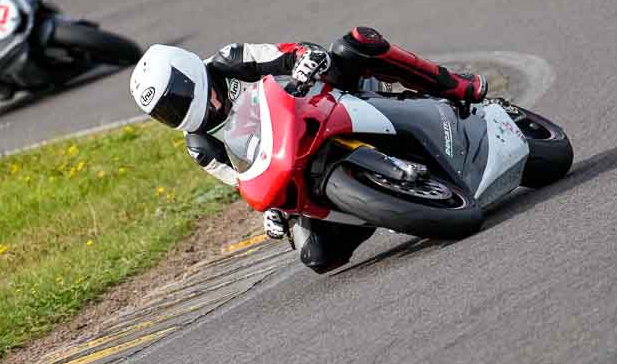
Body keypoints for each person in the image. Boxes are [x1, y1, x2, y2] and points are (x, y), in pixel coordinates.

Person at [130, 26, 487, 272]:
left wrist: (306, 61)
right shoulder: (201, 147)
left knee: (356, 43)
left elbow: (292, 52)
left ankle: (456, 85)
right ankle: (385, 204)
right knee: (316, 256)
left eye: (174, 99)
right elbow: (243, 180)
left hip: (323, 102)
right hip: (296, 160)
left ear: (188, 72)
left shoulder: (230, 60)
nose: (175, 111)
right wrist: (271, 212)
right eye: (164, 111)